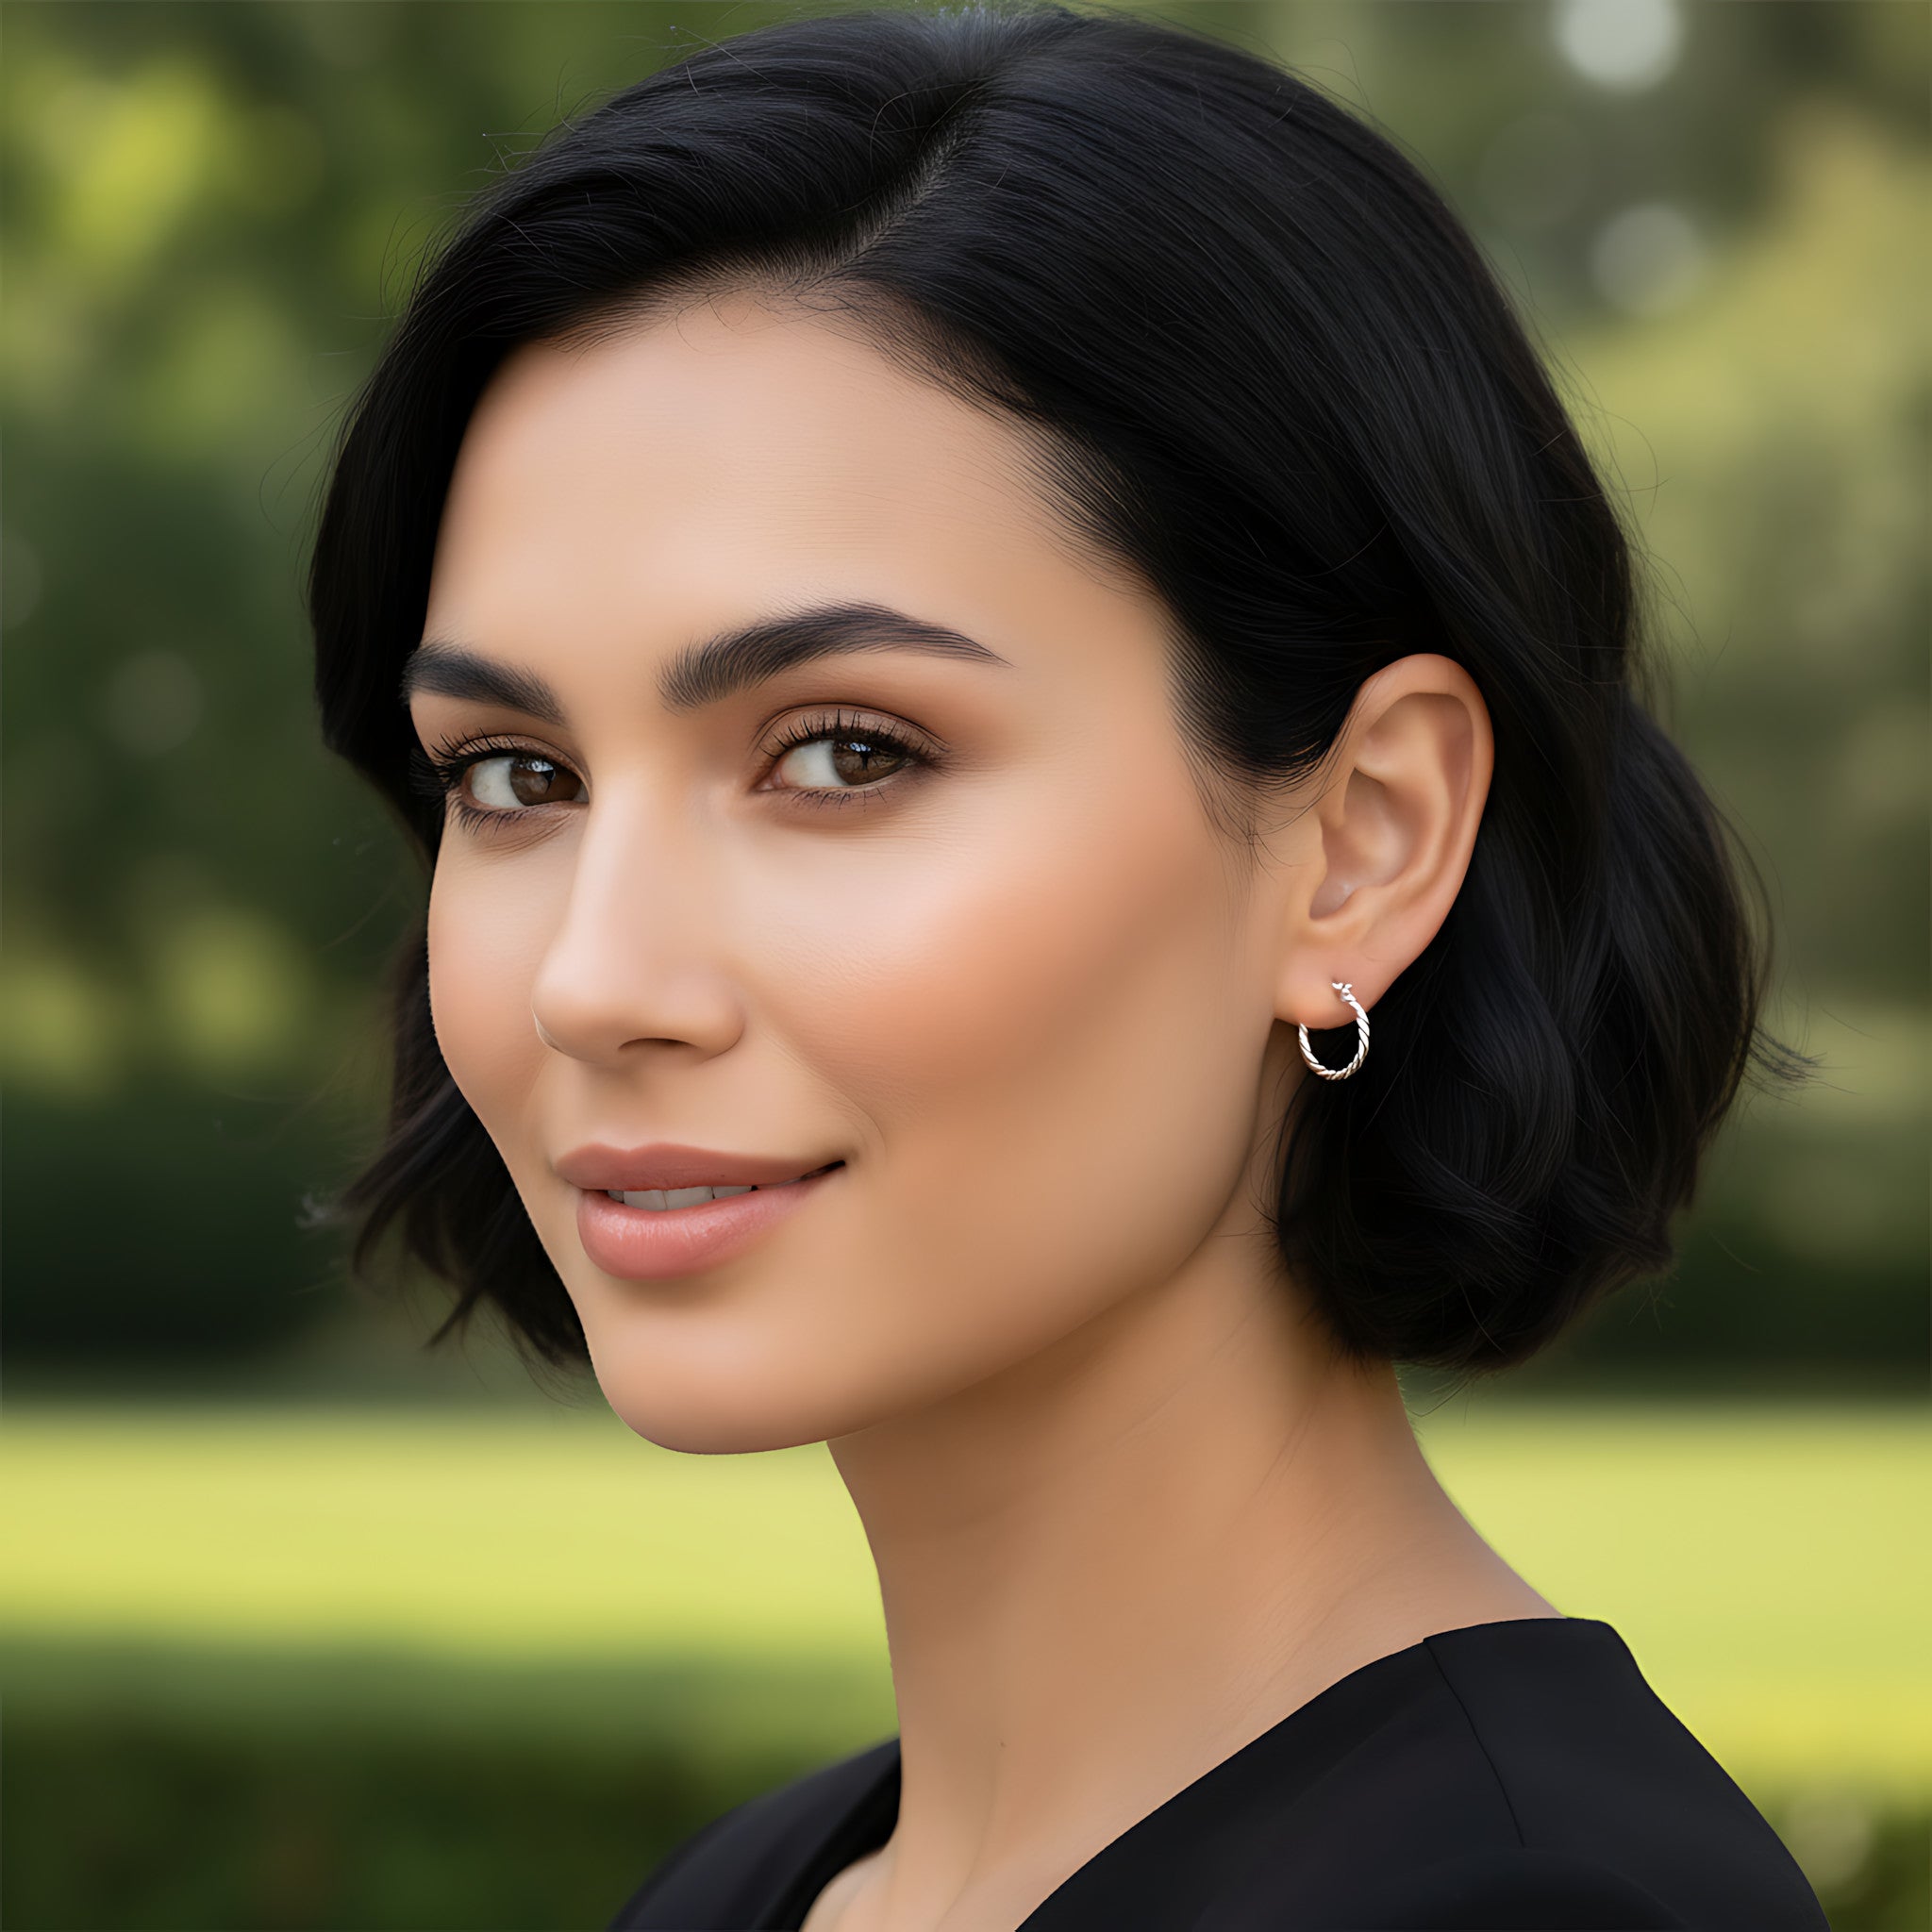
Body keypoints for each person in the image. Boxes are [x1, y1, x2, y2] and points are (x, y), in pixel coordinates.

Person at [304, 3, 1829, 1926]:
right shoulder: (746, 1894)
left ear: (1364, 840)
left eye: (843, 755)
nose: (594, 981)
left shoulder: (1529, 1910)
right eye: (516, 777)